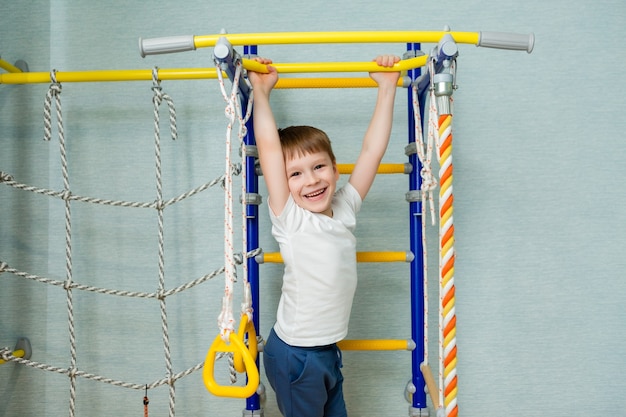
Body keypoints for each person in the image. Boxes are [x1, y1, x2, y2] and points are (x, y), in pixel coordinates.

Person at [247, 54, 401, 417]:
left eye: (318, 167)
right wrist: (261, 92)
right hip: (294, 355)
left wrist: (387, 88)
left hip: (327, 350)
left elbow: (372, 151)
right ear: (283, 185)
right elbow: (269, 147)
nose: (312, 180)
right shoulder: (292, 218)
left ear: (335, 168)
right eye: (295, 174)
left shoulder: (345, 205)